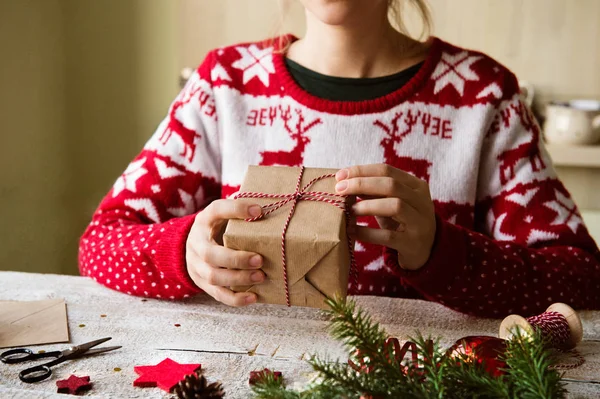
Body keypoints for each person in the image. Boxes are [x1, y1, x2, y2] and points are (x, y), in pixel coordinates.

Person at [79, 0, 600, 317]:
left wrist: (443, 253)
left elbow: (579, 276)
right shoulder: (223, 85)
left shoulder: (482, 96)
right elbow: (99, 245)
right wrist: (185, 255)